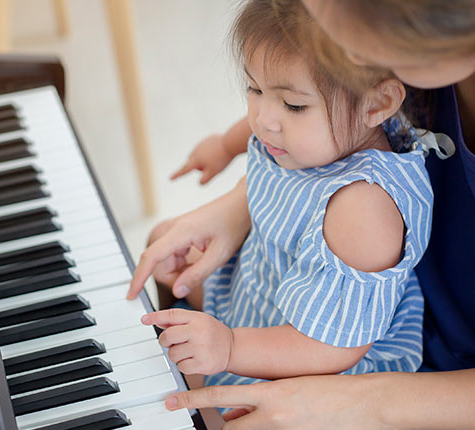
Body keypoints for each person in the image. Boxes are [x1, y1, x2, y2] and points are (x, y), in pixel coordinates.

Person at [128, 0, 475, 428]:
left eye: (293, 106)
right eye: (253, 90)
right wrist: (225, 149)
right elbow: (271, 104)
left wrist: (230, 346)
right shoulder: (342, 103)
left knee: (196, 401)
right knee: (162, 247)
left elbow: (334, 346)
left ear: (378, 104)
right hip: (267, 285)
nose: (263, 119)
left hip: (319, 351)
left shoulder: (363, 208)